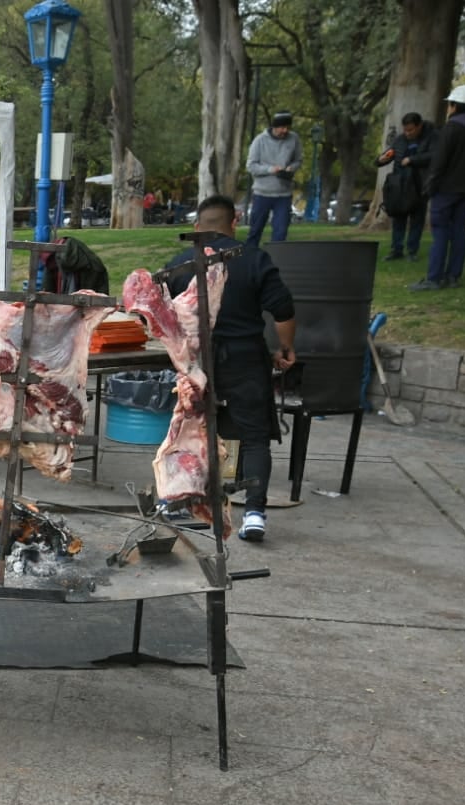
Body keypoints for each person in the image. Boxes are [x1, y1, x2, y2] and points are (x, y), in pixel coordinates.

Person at [163, 195, 297, 544]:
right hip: (244, 357)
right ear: (233, 223)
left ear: (197, 228)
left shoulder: (180, 263)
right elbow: (282, 309)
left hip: (195, 360)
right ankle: (253, 513)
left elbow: (162, 317)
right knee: (254, 438)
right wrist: (285, 347)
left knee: (189, 427)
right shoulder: (252, 258)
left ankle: (181, 502)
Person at [411, 85, 465, 292]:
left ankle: (434, 278)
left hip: (445, 188)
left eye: (449, 105)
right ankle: (454, 276)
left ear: (454, 106)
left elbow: (440, 160)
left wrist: (430, 185)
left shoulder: (451, 129)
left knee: (440, 233)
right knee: (458, 232)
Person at [376, 112, 435, 262]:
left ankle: (412, 250)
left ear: (419, 126)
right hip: (400, 185)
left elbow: (433, 156)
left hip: (419, 184)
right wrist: (381, 159)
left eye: (411, 130)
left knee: (417, 219)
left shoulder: (431, 137)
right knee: (399, 217)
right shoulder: (400, 140)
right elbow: (388, 156)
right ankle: (396, 249)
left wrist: (412, 160)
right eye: (406, 130)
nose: (408, 133)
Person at [245, 112, 302, 245]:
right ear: (274, 127)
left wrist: (291, 168)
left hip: (284, 194)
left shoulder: (294, 139)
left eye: (288, 127)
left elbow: (298, 160)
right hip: (262, 193)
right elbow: (251, 166)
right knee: (255, 230)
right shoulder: (260, 140)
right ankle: (250, 260)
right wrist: (270, 169)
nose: (285, 131)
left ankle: (276, 260)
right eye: (282, 127)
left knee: (281, 232)